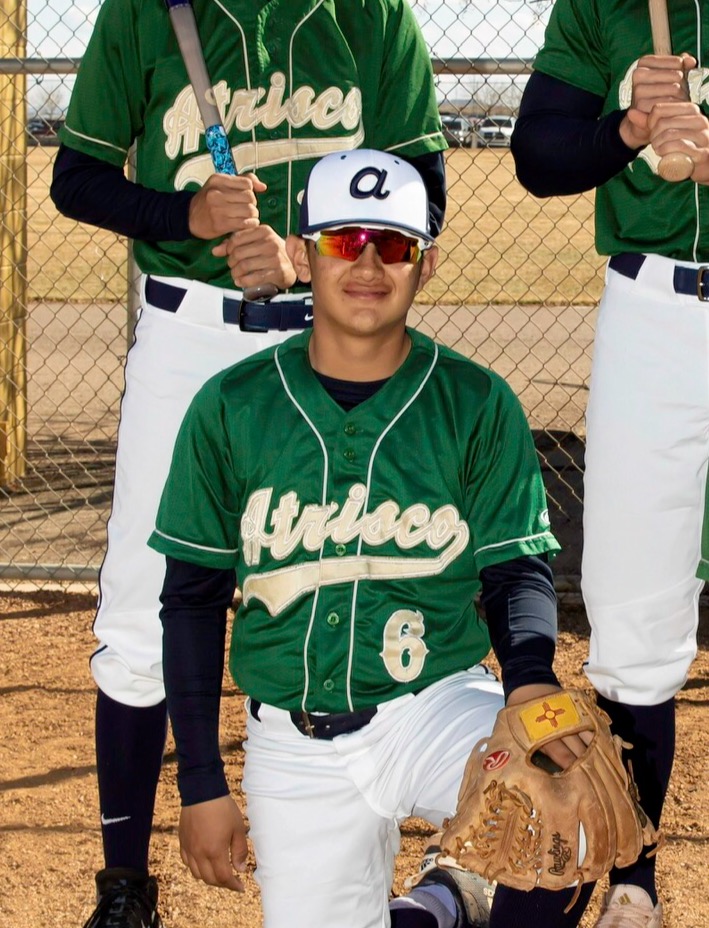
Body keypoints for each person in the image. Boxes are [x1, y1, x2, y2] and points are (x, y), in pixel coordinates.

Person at [49, 3, 447, 926]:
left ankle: (369, 871)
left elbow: (421, 187)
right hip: (187, 335)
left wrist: (309, 255)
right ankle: (124, 888)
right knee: (142, 611)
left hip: (328, 336)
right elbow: (76, 178)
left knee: (356, 590)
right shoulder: (145, 12)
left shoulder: (371, 14)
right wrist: (183, 213)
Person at [148, 148, 596, 928]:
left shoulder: (473, 401)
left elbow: (515, 565)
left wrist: (528, 680)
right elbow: (189, 600)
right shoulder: (231, 405)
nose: (366, 264)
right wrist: (200, 783)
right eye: (343, 240)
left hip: (433, 704)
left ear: (425, 264)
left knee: (564, 815)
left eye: (392, 245)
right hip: (293, 742)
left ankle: (452, 897)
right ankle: (441, 904)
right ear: (303, 255)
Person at [510, 4, 709, 927]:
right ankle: (634, 876)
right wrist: (628, 128)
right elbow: (537, 157)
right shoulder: (600, 6)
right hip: (653, 311)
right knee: (634, 607)